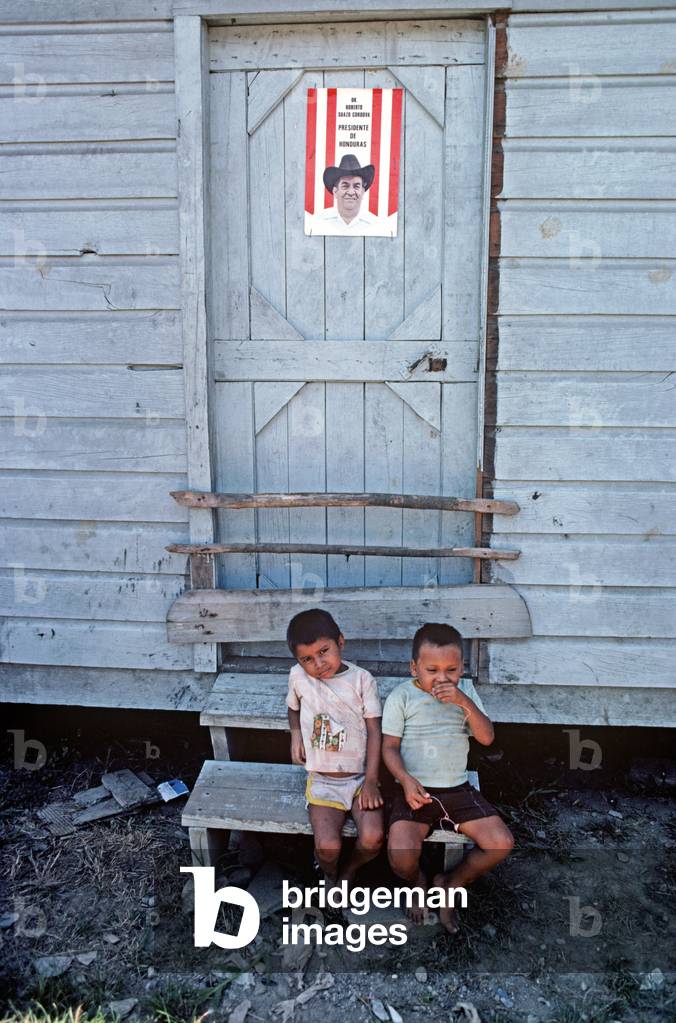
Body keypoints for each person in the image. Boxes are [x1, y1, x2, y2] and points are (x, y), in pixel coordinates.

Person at [381, 622, 514, 933]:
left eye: (451, 670)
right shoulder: (401, 696)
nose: (442, 678)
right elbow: (389, 748)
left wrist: (463, 702)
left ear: (462, 668)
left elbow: (487, 738)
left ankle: (451, 883)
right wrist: (404, 779)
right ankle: (417, 882)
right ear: (414, 668)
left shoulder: (465, 692)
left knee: (501, 843)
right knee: (400, 855)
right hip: (416, 790)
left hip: (458, 789)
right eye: (432, 670)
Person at [286, 608, 384, 887]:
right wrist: (296, 736)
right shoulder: (298, 677)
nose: (318, 663)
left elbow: (375, 731)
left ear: (341, 642)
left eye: (324, 651)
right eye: (307, 659)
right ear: (297, 661)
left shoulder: (362, 680)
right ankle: (329, 873)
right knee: (328, 847)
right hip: (323, 780)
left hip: (361, 780)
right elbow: (293, 708)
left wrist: (372, 782)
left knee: (373, 838)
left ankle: (350, 870)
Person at [318, 154, 382, 235]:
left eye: (356, 186)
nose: (351, 192)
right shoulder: (320, 222)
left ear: (362, 191)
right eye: (345, 186)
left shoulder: (375, 225)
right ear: (335, 191)